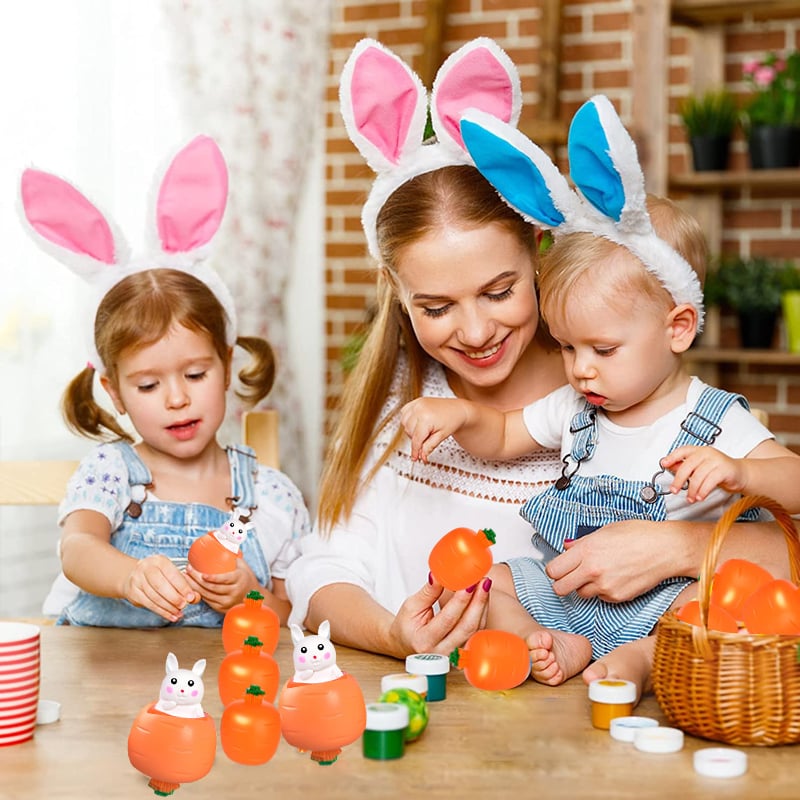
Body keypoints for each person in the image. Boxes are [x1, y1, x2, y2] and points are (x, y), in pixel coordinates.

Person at [400, 95, 800, 687]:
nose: (581, 370)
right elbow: (503, 434)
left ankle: (641, 660)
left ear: (677, 328)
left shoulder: (713, 418)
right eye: (567, 347)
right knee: (498, 581)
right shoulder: (577, 408)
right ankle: (548, 643)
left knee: (710, 600)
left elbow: (794, 482)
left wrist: (741, 472)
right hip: (568, 590)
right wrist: (461, 414)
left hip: (664, 597)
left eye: (603, 350)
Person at [285, 37, 566, 658]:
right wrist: (393, 634)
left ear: (537, 249)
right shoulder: (400, 401)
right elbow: (321, 572)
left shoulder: (601, 392)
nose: (475, 332)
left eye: (499, 292)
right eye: (436, 308)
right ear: (397, 292)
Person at [20, 136, 310, 627]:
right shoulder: (110, 474)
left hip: (218, 676)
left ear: (226, 365)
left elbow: (290, 616)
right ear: (114, 393)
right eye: (148, 386)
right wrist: (127, 576)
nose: (177, 398)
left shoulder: (272, 496)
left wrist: (251, 596)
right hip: (105, 673)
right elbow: (78, 547)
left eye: (195, 374)